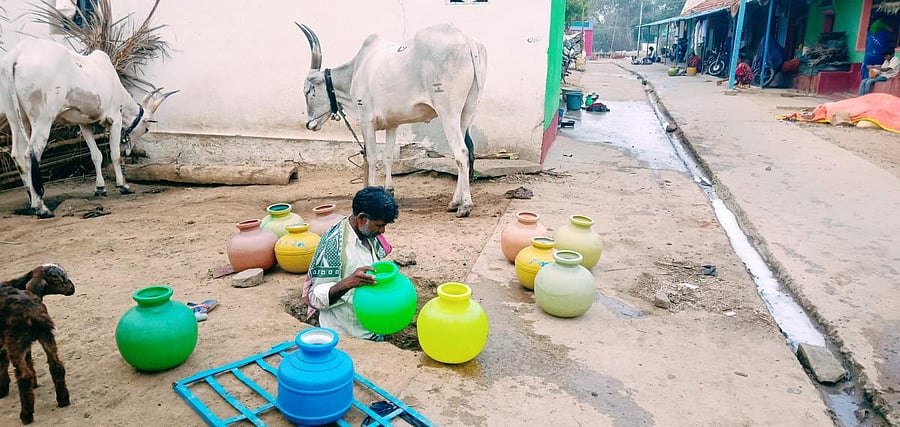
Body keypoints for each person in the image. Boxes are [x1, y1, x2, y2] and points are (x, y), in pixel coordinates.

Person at [303, 186, 399, 340]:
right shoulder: (334, 247)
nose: (383, 232)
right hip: (348, 337)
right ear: (362, 218)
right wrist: (348, 283)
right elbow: (314, 298)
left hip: (373, 328)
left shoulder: (369, 234)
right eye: (380, 225)